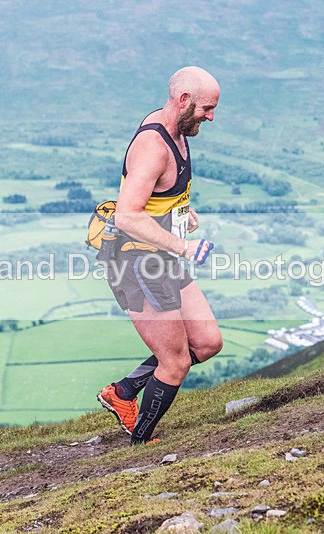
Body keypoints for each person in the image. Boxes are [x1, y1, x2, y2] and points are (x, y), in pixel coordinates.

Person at [97, 66, 223, 445]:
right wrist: (184, 246)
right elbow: (128, 214)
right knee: (176, 362)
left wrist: (182, 211)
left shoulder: (177, 130)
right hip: (136, 264)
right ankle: (141, 444)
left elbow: (159, 195)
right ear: (183, 100)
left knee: (206, 343)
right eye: (206, 108)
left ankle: (121, 393)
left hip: (161, 256)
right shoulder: (154, 146)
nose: (211, 117)